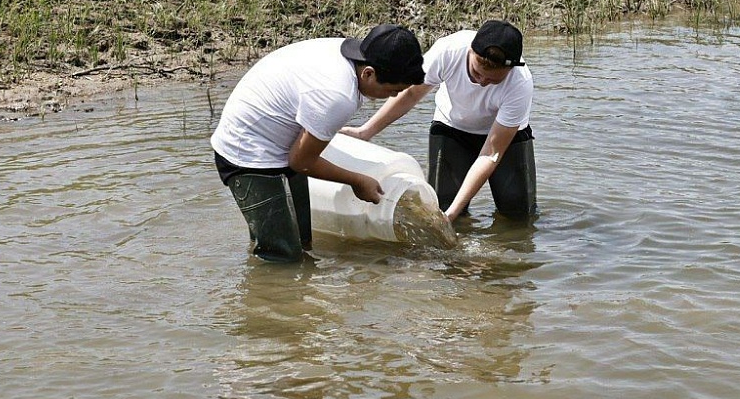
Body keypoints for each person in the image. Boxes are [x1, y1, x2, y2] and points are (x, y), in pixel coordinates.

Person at [210, 24, 426, 262]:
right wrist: (358, 181)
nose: (394, 97)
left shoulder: (351, 54)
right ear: (369, 73)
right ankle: (269, 292)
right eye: (392, 90)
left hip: (281, 139)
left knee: (302, 243)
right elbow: (301, 161)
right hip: (247, 153)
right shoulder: (338, 95)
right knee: (282, 256)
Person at [342, 20, 536, 223]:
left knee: (519, 216)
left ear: (511, 70)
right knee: (442, 207)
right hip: (452, 129)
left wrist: (451, 214)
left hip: (506, 138)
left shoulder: (520, 82)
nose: (482, 83)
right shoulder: (449, 50)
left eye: (493, 81)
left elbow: (490, 154)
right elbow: (411, 94)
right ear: (470, 51)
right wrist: (365, 131)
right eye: (477, 73)